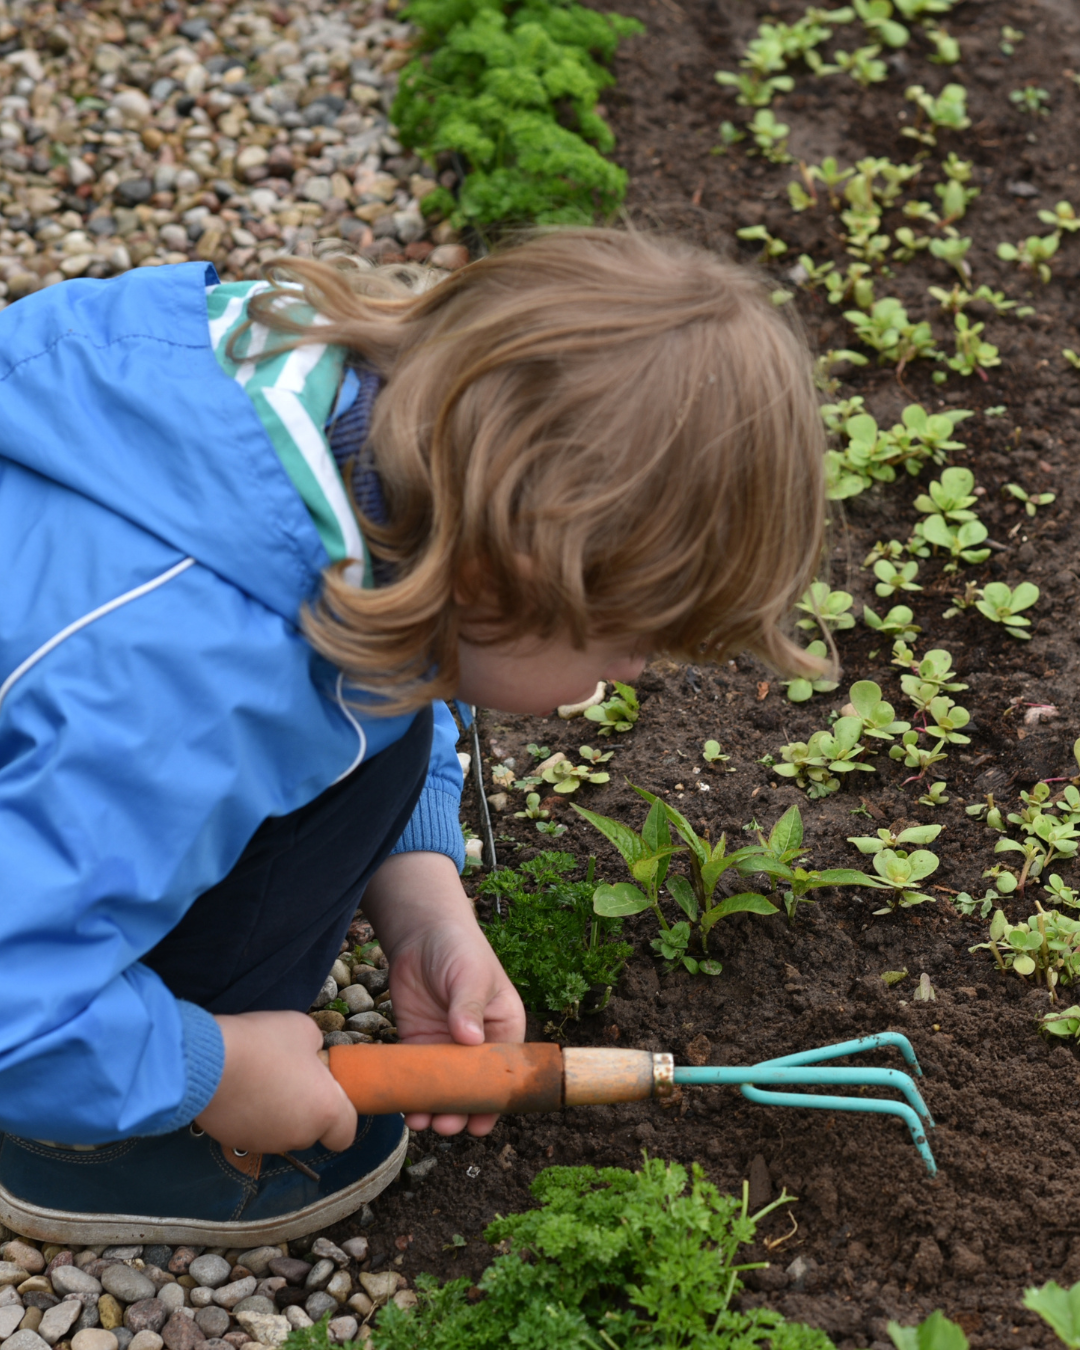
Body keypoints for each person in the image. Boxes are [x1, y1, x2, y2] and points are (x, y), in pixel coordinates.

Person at [0, 227, 826, 1244]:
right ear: (496, 580)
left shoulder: (336, 431)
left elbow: (402, 657)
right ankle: (88, 1148)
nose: (634, 675)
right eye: (628, 646)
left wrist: (424, 900)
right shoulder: (185, 688)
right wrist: (206, 1070)